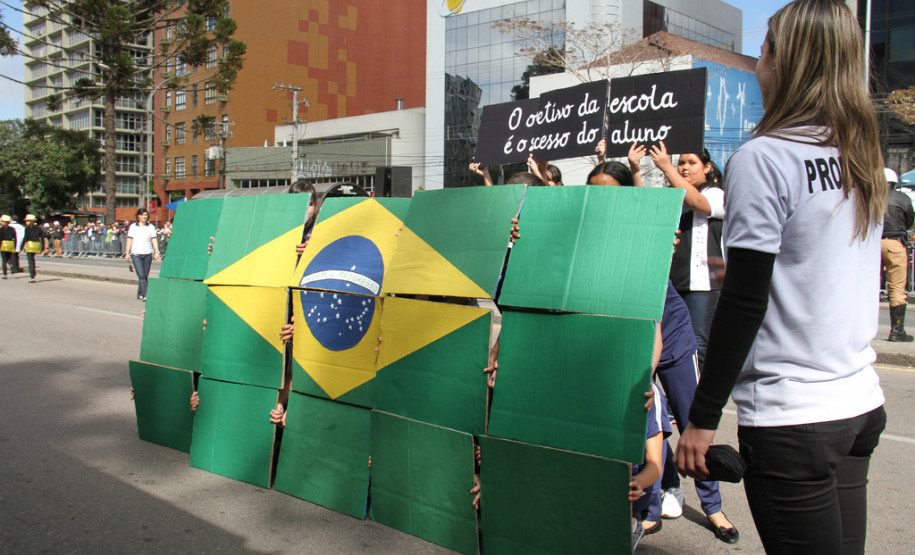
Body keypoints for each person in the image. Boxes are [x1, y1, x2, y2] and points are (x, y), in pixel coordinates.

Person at [676, 2, 887, 553]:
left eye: (766, 48)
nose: (759, 61)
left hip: (794, 417)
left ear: (786, 62)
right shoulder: (858, 149)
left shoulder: (765, 156)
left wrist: (702, 417)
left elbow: (745, 302)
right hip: (859, 404)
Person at [589, 149, 738, 543]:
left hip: (666, 339)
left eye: (612, 192)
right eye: (594, 192)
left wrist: (647, 370)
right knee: (647, 424)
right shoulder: (585, 235)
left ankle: (714, 507)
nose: (603, 200)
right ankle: (651, 508)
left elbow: (653, 317)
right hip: (632, 343)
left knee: (689, 419)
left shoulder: (649, 231)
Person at [649, 143, 723, 370]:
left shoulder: (715, 193)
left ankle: (694, 401)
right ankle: (676, 400)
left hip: (701, 287)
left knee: (697, 345)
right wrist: (634, 167)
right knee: (668, 343)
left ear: (707, 167)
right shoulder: (674, 195)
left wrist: (666, 169)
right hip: (671, 283)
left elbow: (697, 203)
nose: (684, 168)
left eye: (692, 163)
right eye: (680, 163)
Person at [881, 168, 914, 341]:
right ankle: (897, 331)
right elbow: (910, 220)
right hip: (895, 244)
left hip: (872, 245)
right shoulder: (903, 198)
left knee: (869, 288)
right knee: (896, 288)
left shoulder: (872, 197)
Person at [125, 208, 160, 301]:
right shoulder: (133, 227)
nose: (144, 217)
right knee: (141, 275)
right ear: (138, 216)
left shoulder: (151, 227)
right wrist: (127, 252)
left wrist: (156, 251)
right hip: (136, 253)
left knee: (145, 274)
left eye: (146, 215)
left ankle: (140, 293)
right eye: (142, 215)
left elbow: (154, 239)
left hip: (147, 253)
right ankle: (145, 294)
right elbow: (129, 239)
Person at [22, 214, 46, 282]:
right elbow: (42, 238)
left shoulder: (27, 228)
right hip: (36, 245)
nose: (26, 222)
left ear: (30, 221)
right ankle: (33, 272)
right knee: (33, 260)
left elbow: (25, 238)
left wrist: (21, 247)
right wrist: (42, 247)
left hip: (30, 245)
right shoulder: (39, 228)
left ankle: (32, 276)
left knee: (30, 261)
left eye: (27, 221)